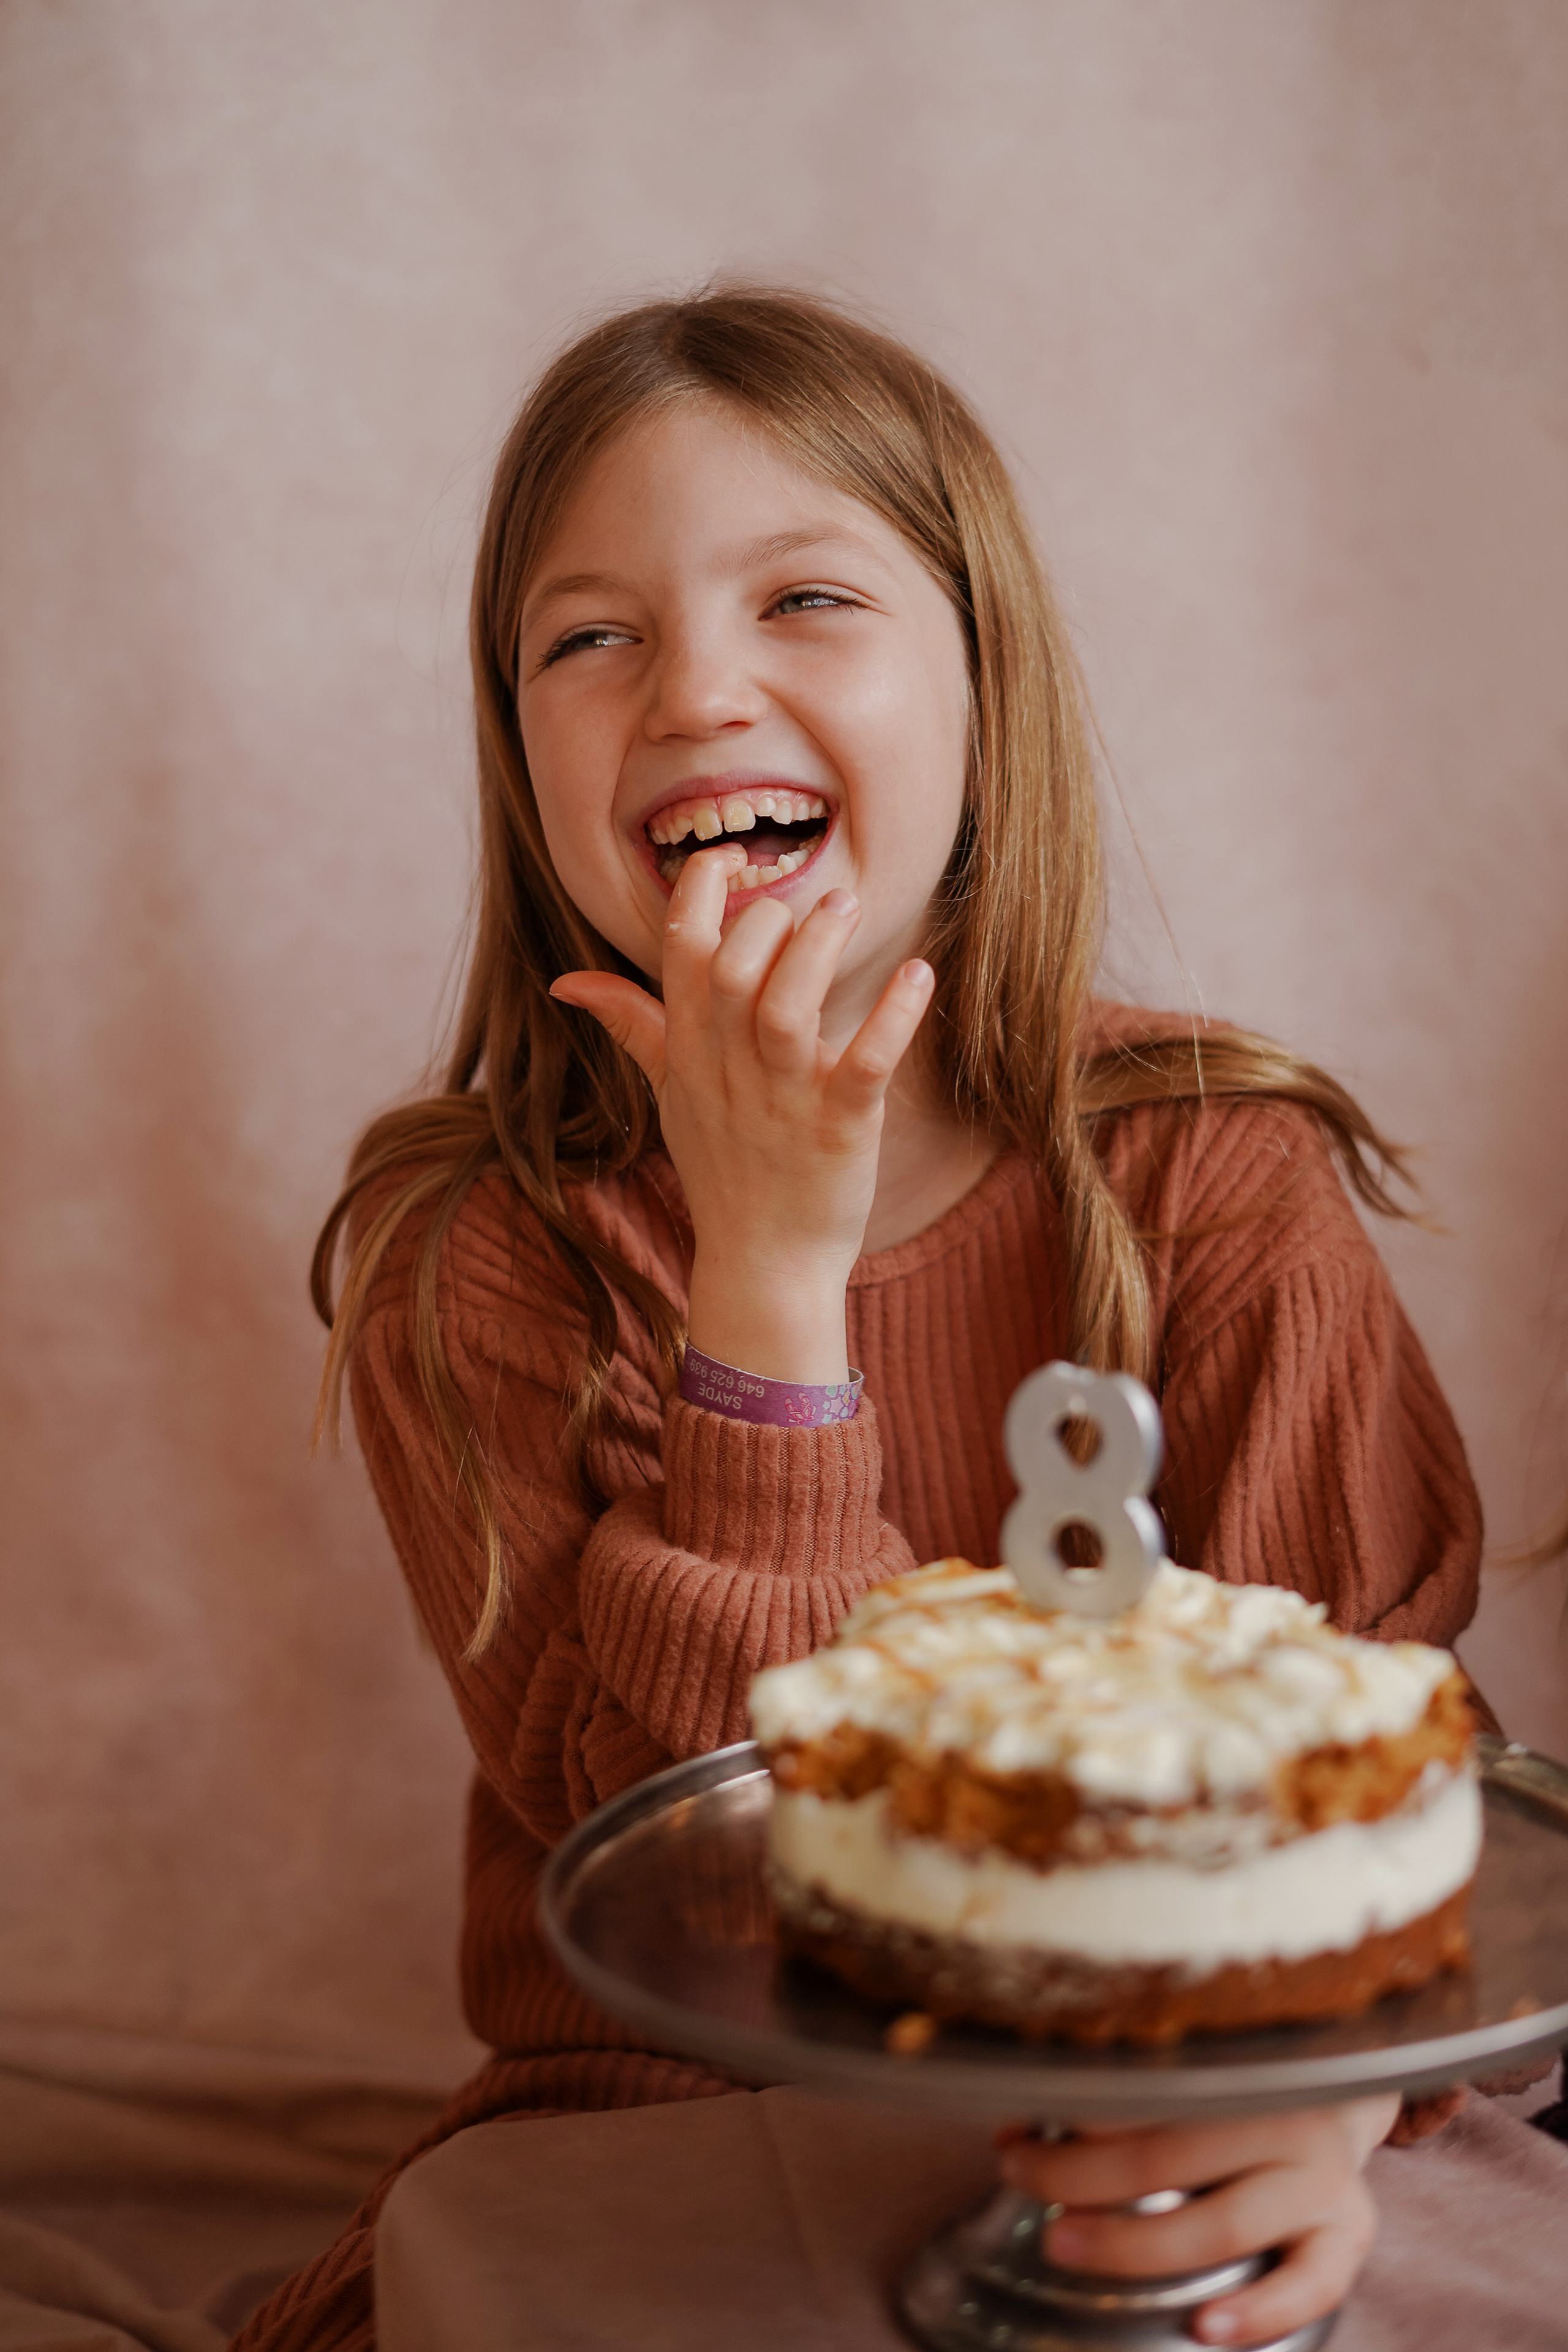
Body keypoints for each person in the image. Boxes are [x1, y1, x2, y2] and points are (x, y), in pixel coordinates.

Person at [236, 288, 1485, 2351]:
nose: (697, 692)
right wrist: (770, 1275)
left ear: (984, 691)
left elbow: (1371, 1800)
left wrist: (1324, 2117)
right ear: (519, 752)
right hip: (667, 2121)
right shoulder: (475, 1253)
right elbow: (725, 1895)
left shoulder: (1212, 1177)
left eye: (805, 598)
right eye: (590, 635)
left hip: (1180, 2096)